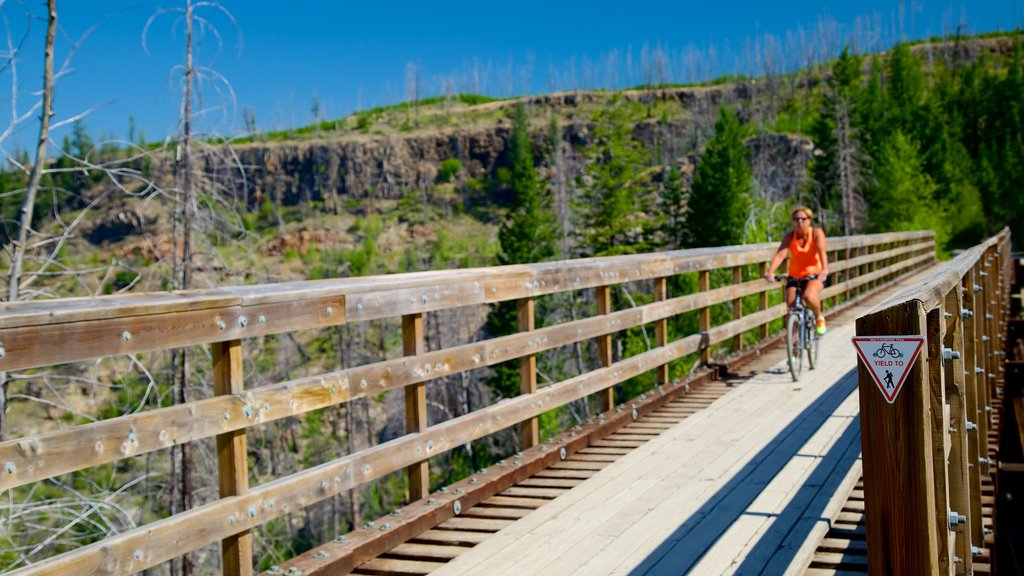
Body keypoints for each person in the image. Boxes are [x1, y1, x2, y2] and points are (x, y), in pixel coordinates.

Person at [765, 206, 829, 335]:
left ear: (809, 220)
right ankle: (794, 348)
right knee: (791, 309)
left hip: (814, 275)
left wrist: (825, 270)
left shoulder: (816, 233)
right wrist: (770, 272)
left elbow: (822, 252)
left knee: (809, 296)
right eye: (796, 219)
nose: (800, 222)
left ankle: (819, 317)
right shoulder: (790, 236)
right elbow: (780, 255)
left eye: (803, 219)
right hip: (795, 276)